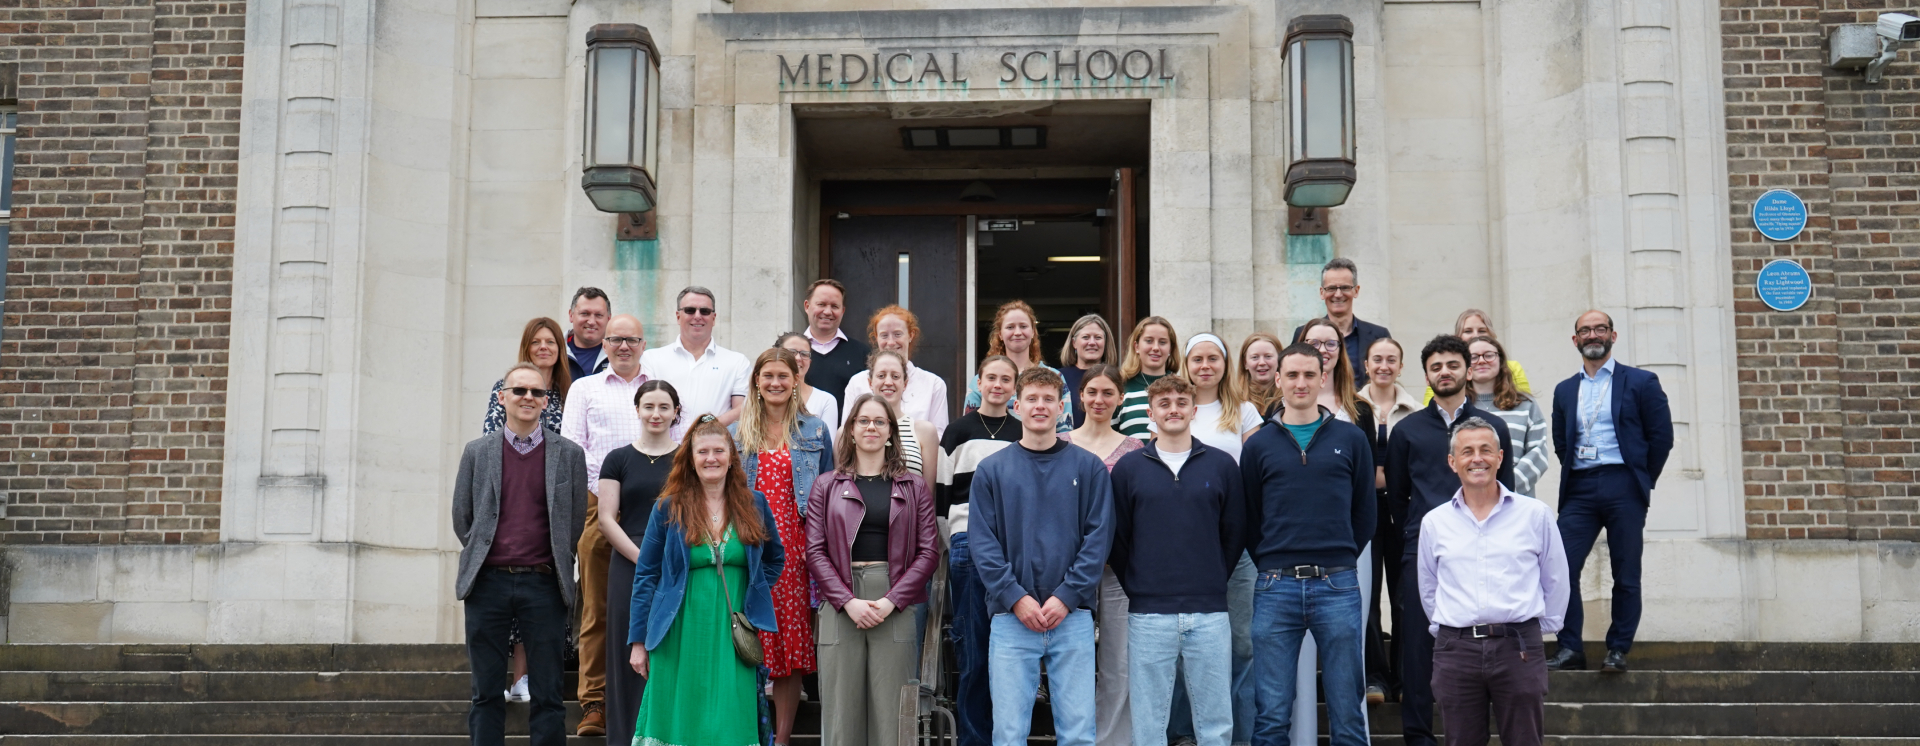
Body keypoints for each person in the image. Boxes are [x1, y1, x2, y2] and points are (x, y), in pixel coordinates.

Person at [971, 366, 1115, 746]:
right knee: (1008, 733)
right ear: (1017, 406)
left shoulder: (1089, 468)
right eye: (1031, 399)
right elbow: (983, 545)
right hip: (1010, 618)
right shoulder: (991, 471)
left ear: (1062, 407)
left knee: (1079, 732)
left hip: (1073, 618)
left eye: (1048, 399)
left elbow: (1098, 539)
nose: (1040, 406)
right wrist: (1016, 598)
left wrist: (1066, 597)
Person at [1384, 335, 1516, 746]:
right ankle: (1419, 735)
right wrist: (1420, 533)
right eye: (1436, 366)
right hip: (1422, 550)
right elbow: (1399, 495)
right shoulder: (1406, 431)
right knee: (1418, 644)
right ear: (1426, 375)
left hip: (1483, 549)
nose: (1445, 372)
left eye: (1452, 365)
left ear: (1467, 369)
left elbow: (1505, 489)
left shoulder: (1492, 428)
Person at [1242, 344, 1375, 746]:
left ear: (1322, 379)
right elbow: (1249, 517)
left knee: (1347, 711)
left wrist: (1340, 556)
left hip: (1337, 584)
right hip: (1275, 586)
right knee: (1271, 714)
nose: (1301, 383)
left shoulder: (1350, 439)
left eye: (1308, 375)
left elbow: (1365, 513)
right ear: (1278, 379)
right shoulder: (1259, 445)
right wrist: (1270, 561)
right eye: (1292, 375)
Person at [452, 363, 590, 746]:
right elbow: (463, 516)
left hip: (544, 584)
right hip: (487, 584)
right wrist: (486, 553)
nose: (528, 398)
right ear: (502, 398)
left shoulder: (570, 455)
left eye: (537, 393)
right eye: (519, 391)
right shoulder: (477, 452)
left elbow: (574, 520)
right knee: (486, 693)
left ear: (546, 402)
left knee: (548, 695)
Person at [627, 414, 784, 746]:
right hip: (679, 630)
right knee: (679, 717)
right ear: (690, 459)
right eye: (702, 452)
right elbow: (646, 575)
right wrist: (638, 641)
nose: (711, 458)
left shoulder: (754, 504)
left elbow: (774, 559)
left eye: (718, 451)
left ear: (731, 458)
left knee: (729, 718)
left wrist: (753, 594)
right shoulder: (668, 508)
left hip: (733, 632)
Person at [1110, 375, 1246, 746]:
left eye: (1181, 402)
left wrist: (1213, 577)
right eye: (1164, 403)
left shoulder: (1221, 466)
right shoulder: (1128, 469)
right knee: (1149, 724)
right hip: (1149, 613)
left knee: (1215, 722)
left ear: (1193, 410)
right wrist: (1140, 585)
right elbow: (1118, 540)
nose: (1173, 409)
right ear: (1151, 413)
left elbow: (1234, 533)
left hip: (1209, 611)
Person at [1419, 417, 1569, 746]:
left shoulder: (1535, 515)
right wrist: (1451, 633)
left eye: (1486, 450)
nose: (1477, 459)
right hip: (1456, 650)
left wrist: (1536, 629)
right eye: (1467, 451)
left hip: (1519, 648)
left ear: (1500, 458)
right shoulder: (1434, 523)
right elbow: (1429, 588)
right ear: (1452, 461)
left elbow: (1556, 579)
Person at [804, 393, 941, 746]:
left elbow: (928, 553)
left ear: (891, 433)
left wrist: (892, 600)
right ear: (850, 431)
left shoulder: (913, 487)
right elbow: (815, 552)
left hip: (893, 599)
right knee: (840, 714)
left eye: (879, 422)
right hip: (840, 601)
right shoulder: (826, 485)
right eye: (863, 420)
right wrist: (848, 601)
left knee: (893, 716)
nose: (871, 427)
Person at [1546, 311, 1673, 674]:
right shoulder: (1564, 390)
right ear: (1575, 341)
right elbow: (1561, 441)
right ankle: (1569, 648)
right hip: (1580, 489)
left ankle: (1618, 649)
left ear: (1612, 335)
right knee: (1560, 567)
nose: (1592, 334)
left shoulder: (1641, 381)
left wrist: (1641, 479)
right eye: (1584, 330)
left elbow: (1661, 437)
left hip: (1624, 486)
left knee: (1626, 572)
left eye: (1600, 328)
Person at [728, 347, 835, 746]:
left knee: (789, 648)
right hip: (747, 546)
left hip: (794, 549)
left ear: (795, 382)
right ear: (756, 381)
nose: (775, 382)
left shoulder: (815, 430)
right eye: (767, 375)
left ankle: (784, 738)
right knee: (746, 639)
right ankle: (748, 732)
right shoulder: (738, 433)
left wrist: (817, 542)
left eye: (782, 376)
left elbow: (826, 493)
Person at [559, 313, 650, 736]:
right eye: (616, 339)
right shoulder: (585, 388)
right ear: (605, 344)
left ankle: (648, 697)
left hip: (652, 506)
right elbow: (571, 450)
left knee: (649, 602)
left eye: (631, 339)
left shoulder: (657, 389)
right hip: (599, 505)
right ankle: (594, 702)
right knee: (596, 606)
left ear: (643, 343)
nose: (623, 346)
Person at [1177, 333, 1263, 745]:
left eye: (1214, 358)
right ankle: (1183, 734)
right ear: (1186, 364)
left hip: (1236, 542)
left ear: (1226, 365)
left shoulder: (1244, 412)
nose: (1205, 365)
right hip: (1182, 545)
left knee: (1241, 645)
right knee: (1178, 643)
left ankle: (1239, 736)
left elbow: (1255, 474)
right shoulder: (1178, 407)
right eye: (1197, 359)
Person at [936, 355, 1025, 746]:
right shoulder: (957, 431)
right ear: (979, 381)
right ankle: (974, 738)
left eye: (1006, 379)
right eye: (992, 377)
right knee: (972, 649)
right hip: (967, 544)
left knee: (1008, 651)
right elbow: (941, 499)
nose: (998, 385)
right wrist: (953, 540)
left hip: (1013, 549)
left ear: (1014, 386)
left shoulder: (1024, 431)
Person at [1060, 362, 1143, 746]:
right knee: (1072, 661)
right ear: (1080, 396)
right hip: (1068, 571)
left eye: (1108, 392)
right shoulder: (1060, 443)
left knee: (1118, 663)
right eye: (1092, 392)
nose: (1099, 399)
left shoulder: (1136, 450)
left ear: (1120, 399)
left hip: (1118, 570)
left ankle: (1110, 740)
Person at [596, 380, 681, 746]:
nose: (656, 413)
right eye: (649, 406)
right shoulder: (617, 458)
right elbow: (605, 519)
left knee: (670, 651)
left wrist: (667, 560)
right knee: (626, 655)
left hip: (677, 563)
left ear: (676, 412)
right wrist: (644, 558)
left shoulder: (687, 457)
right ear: (637, 409)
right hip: (628, 565)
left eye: (664, 406)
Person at [1355, 337, 1422, 705]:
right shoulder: (1352, 407)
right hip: (1364, 507)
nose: (1383, 365)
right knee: (1367, 595)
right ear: (1366, 365)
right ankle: (1375, 677)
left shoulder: (1415, 411)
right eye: (1377, 359)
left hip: (1404, 509)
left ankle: (1403, 677)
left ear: (1400, 365)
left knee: (1403, 595)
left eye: (1391, 359)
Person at [640, 286, 750, 431]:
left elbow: (741, 408)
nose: (697, 316)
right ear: (678, 316)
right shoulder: (651, 359)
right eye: (690, 310)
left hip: (713, 449)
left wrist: (706, 429)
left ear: (714, 318)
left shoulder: (737, 362)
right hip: (664, 449)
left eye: (704, 311)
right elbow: (644, 405)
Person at [842, 305, 952, 436]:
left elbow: (938, 438)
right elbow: (847, 433)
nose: (891, 342)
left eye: (897, 334)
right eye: (884, 335)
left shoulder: (933, 384)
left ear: (911, 335)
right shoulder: (857, 383)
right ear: (876, 338)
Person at [966, 300, 1071, 433]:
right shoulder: (982, 381)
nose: (1017, 332)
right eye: (1010, 327)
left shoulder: (1056, 377)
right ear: (1000, 334)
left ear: (1033, 332)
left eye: (1023, 326)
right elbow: (969, 427)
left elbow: (1065, 432)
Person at [1466, 336, 1551, 497]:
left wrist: (1505, 488)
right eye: (1473, 357)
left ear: (1500, 361)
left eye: (1489, 355)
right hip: (1470, 502)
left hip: (1517, 501)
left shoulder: (1526, 405)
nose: (1481, 361)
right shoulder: (1458, 409)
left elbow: (1538, 453)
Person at [1290, 258, 1389, 390]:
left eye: (1345, 287)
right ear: (1322, 292)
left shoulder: (1379, 336)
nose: (1338, 294)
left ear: (1356, 290)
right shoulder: (1302, 334)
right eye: (1331, 288)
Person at [484, 317, 571, 436]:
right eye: (535, 342)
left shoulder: (568, 391)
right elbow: (490, 436)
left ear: (559, 348)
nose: (543, 347)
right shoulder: (506, 387)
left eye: (550, 342)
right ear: (527, 348)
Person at [862, 349, 941, 479]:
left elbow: (928, 495)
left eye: (895, 376)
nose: (888, 382)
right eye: (881, 376)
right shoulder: (849, 431)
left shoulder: (925, 432)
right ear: (870, 382)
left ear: (905, 383)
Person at [1295, 317, 1377, 428]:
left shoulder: (1361, 408)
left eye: (1330, 344)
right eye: (1314, 343)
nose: (1322, 350)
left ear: (1340, 351)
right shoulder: (1281, 405)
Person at [801, 279, 871, 400]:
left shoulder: (862, 353)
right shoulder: (788, 352)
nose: (828, 312)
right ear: (807, 306)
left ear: (842, 311)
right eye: (821, 304)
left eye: (834, 306)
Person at [1116, 316, 1178, 440]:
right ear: (1137, 347)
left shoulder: (1182, 388)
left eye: (1162, 342)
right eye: (1149, 341)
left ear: (1170, 348)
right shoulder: (1120, 387)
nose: (1155, 348)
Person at [1059, 314, 1117, 428]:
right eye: (1085, 337)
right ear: (1074, 343)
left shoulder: (1117, 378)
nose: (1092, 342)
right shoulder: (1059, 377)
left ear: (1105, 343)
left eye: (1098, 337)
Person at [778, 331, 840, 429]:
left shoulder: (826, 400)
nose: (798, 358)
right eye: (791, 352)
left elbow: (827, 443)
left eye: (804, 354)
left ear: (810, 362)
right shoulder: (763, 395)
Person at [565, 287, 612, 381]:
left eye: (599, 315)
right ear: (571, 315)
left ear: (608, 318)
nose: (591, 322)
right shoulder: (555, 352)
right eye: (585, 313)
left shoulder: (618, 353)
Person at [1238, 331, 1284, 418]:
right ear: (1245, 363)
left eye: (1268, 356)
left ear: (1279, 360)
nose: (1262, 363)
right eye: (1255, 357)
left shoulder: (1289, 397)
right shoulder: (1235, 399)